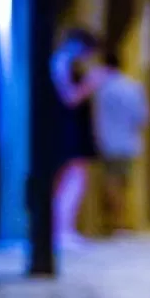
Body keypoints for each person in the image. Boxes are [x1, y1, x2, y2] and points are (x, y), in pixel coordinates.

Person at [50, 29, 105, 250]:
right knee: (72, 180)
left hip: (74, 127)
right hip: (67, 128)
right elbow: (69, 98)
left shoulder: (66, 62)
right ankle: (61, 231)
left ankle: (65, 230)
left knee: (75, 180)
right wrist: (91, 84)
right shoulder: (61, 62)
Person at [92, 51, 149, 236]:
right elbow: (142, 118)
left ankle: (116, 222)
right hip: (129, 142)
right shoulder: (132, 87)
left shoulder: (101, 89)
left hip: (107, 141)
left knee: (111, 181)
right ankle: (120, 221)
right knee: (123, 182)